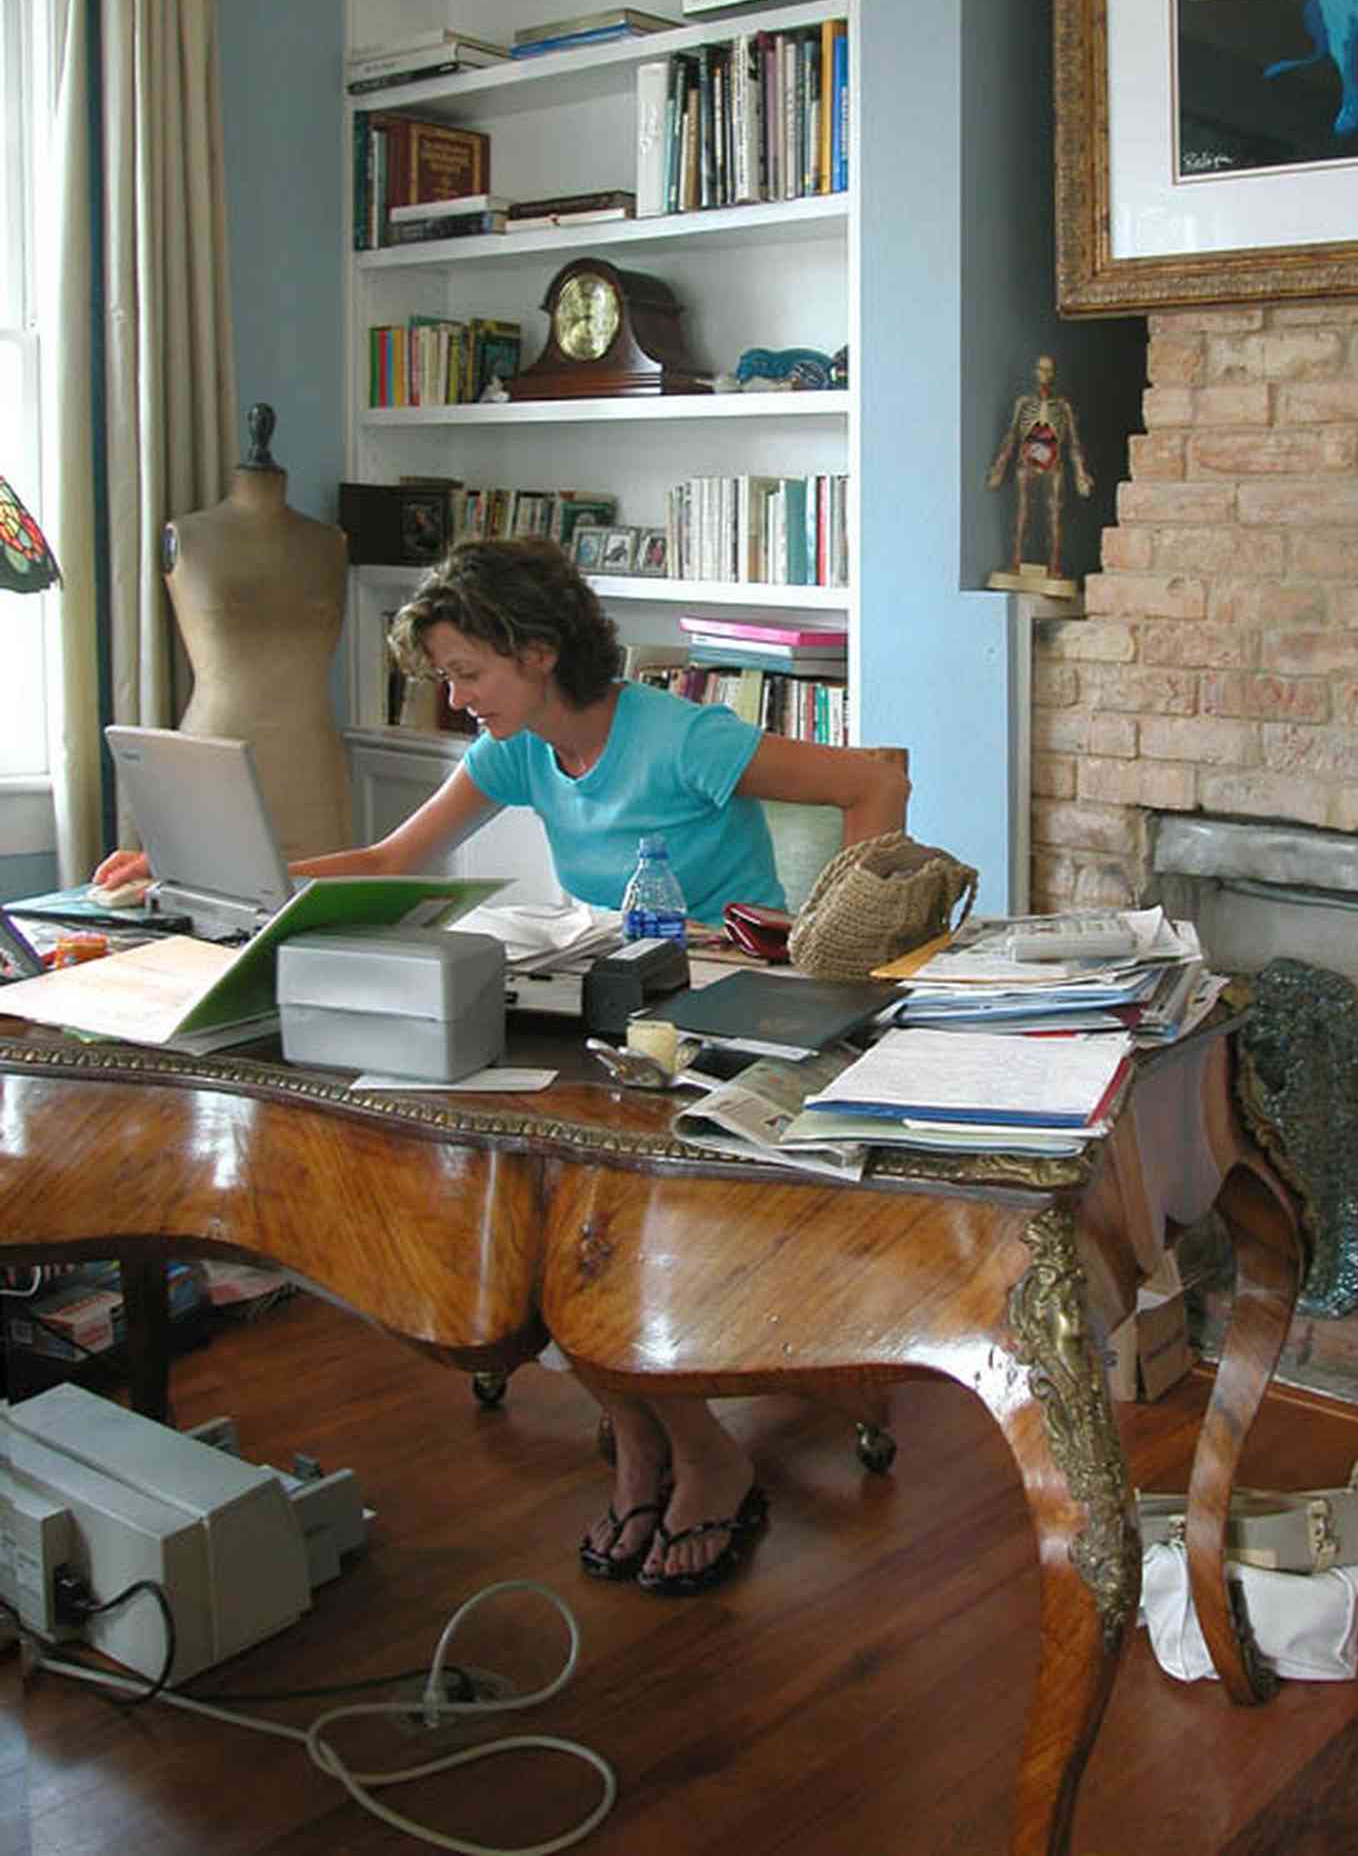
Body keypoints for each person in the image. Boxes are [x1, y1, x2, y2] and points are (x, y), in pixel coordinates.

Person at [96, 536, 909, 1596]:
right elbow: (389, 861)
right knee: (518, 1191)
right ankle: (642, 1437)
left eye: (466, 671)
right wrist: (206, 880)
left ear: (536, 652)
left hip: (722, 1025)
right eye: (446, 675)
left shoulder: (679, 737)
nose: (455, 696)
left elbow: (873, 782)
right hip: (613, 1016)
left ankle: (706, 1456)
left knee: (583, 1212)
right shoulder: (522, 750)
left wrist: (836, 958)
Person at [162, 403, 353, 861]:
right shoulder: (188, 536)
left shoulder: (329, 543)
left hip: (310, 763)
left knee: (321, 898)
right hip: (216, 749)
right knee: (209, 891)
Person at [985, 353, 1094, 582]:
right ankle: (1016, 562)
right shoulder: (1023, 403)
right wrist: (999, 467)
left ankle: (1055, 566)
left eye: (1048, 370)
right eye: (1041, 369)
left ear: (1053, 374)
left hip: (1054, 464)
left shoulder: (1063, 406)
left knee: (1055, 514)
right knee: (1022, 511)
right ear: (1034, 372)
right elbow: (1012, 436)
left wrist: (1080, 473)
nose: (1044, 374)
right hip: (1026, 463)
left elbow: (1073, 441)